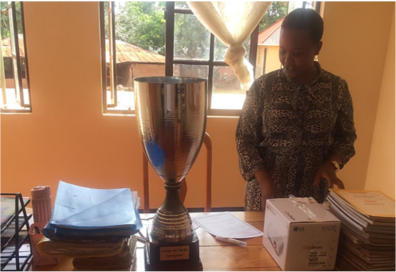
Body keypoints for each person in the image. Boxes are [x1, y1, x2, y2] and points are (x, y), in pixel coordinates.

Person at [236, 8, 357, 211]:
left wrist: (332, 164)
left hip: (315, 200)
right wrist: (264, 180)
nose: (287, 61)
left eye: (297, 53)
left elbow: (347, 138)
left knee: (311, 244)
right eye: (283, 51)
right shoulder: (264, 86)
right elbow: (244, 138)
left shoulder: (337, 88)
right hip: (266, 196)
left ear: (317, 48)